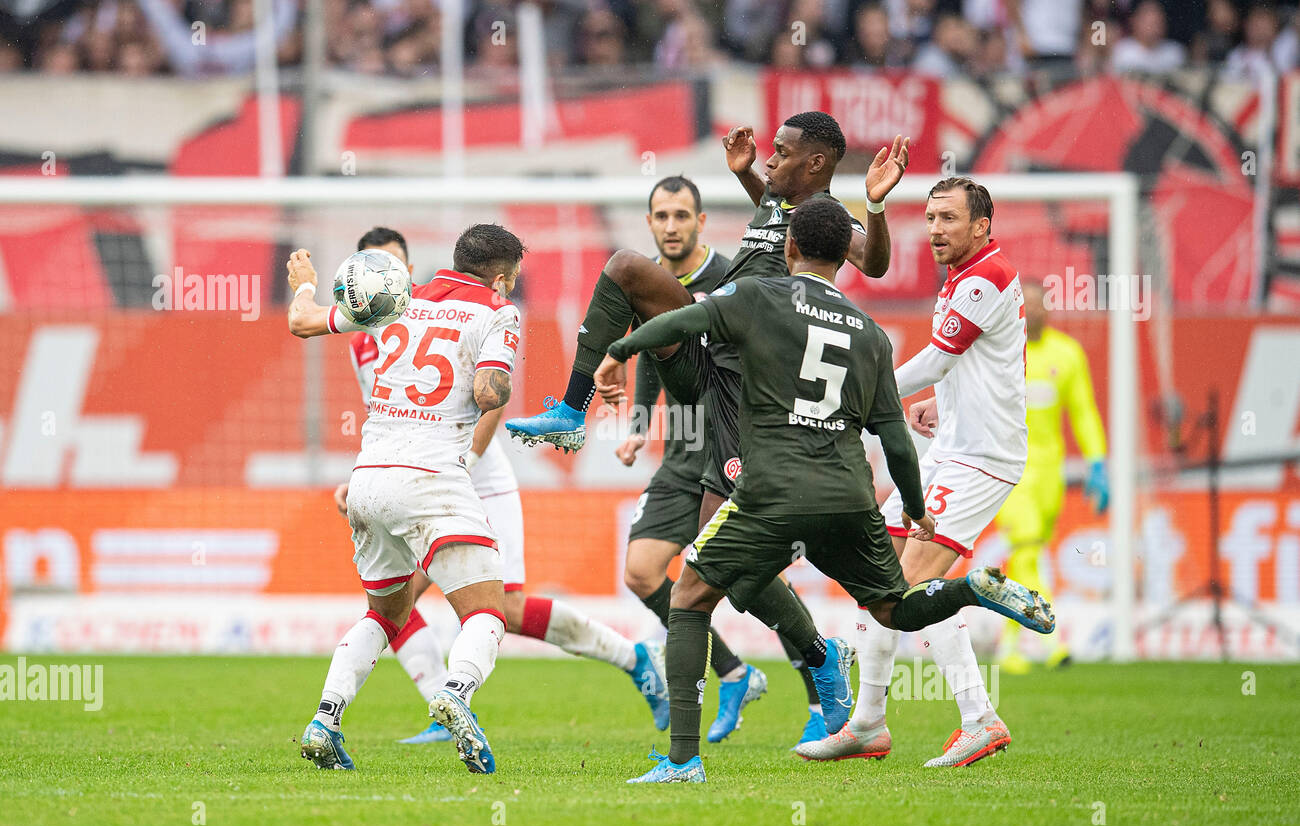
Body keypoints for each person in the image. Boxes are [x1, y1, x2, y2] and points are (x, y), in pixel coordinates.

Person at [594, 198, 1055, 783]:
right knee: (895, 603)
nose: (936, 229)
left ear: (786, 249)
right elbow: (894, 438)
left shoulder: (760, 295)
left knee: (687, 597)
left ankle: (683, 760)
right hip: (849, 496)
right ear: (845, 258)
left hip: (772, 493)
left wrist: (619, 350)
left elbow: (684, 322)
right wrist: (915, 509)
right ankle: (960, 599)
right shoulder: (871, 334)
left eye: (946, 219)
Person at [508, 112, 912, 738]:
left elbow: (875, 262)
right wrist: (750, 174)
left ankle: (816, 654)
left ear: (815, 165)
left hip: (748, 388)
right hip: (710, 356)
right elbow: (778, 214)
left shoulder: (828, 217)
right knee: (625, 268)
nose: (770, 160)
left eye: (780, 154)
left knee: (725, 568)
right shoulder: (779, 200)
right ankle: (570, 408)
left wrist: (877, 206)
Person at [323, 227, 670, 744]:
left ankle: (630, 657)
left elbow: (493, 399)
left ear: (411, 268)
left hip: (468, 475)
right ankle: (448, 704)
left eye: (394, 267)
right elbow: (388, 411)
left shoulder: (447, 309)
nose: (386, 280)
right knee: (404, 605)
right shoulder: (371, 333)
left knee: (490, 607)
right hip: (415, 475)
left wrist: (458, 462)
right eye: (374, 271)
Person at [799, 177, 1037, 768]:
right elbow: (967, 363)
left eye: (949, 219)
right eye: (930, 217)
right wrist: (943, 402)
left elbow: (938, 357)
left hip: (982, 457)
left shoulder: (987, 275)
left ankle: (978, 717)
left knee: (903, 587)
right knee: (877, 574)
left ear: (981, 226)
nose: (935, 228)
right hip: (955, 444)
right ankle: (870, 724)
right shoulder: (965, 276)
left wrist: (861, 399)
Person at [286, 224, 523, 775]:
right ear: (503, 276)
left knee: (385, 613)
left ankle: (325, 719)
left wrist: (304, 285)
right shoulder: (498, 313)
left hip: (368, 477)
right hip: (433, 477)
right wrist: (502, 384)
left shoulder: (398, 299)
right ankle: (456, 693)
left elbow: (302, 323)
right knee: (488, 609)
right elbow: (489, 392)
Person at [618, 177, 824, 745]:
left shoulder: (732, 278)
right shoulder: (652, 284)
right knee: (640, 571)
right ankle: (733, 670)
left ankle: (820, 688)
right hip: (681, 458)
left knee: (750, 576)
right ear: (650, 223)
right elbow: (649, 352)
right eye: (661, 215)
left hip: (732, 453)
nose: (671, 225)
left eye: (682, 214)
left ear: (702, 221)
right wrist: (638, 426)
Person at [991, 281, 1107, 674]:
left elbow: (1084, 411)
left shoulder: (1067, 354)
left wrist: (1097, 462)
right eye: (1029, 307)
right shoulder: (1002, 351)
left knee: (1027, 556)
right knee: (1025, 547)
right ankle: (1053, 639)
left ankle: (1008, 646)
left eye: (1041, 306)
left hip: (1049, 474)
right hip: (1009, 468)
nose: (1036, 313)